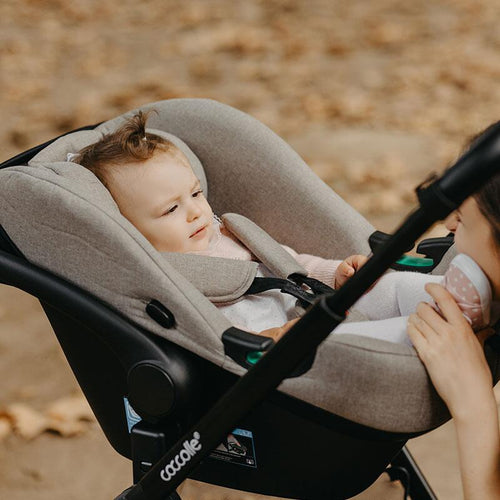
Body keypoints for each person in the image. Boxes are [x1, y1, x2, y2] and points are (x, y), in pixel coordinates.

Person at [74, 111, 496, 344]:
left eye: (197, 195)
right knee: (357, 342)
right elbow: (202, 336)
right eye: (170, 210)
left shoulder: (228, 234)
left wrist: (333, 273)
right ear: (129, 228)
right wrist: (273, 336)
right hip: (281, 350)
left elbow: (289, 262)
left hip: (313, 305)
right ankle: (441, 327)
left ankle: (446, 298)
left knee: (380, 284)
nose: (195, 213)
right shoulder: (163, 278)